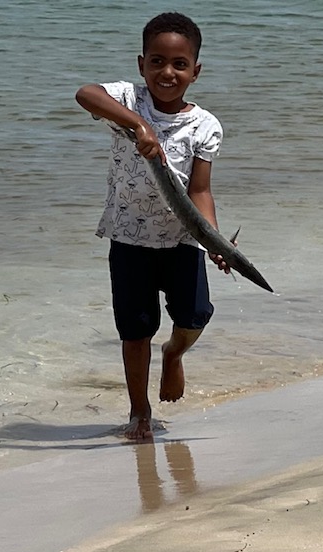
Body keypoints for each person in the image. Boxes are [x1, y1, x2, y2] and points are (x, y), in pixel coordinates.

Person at [76, 12, 230, 441]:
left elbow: (200, 191)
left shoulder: (205, 125)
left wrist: (214, 240)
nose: (167, 72)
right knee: (135, 329)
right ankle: (139, 412)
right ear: (141, 64)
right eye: (157, 62)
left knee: (195, 317)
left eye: (180, 64)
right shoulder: (128, 100)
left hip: (182, 240)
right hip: (129, 239)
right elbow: (85, 93)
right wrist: (139, 125)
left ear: (195, 71)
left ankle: (174, 355)